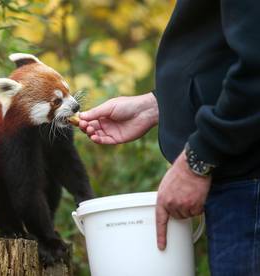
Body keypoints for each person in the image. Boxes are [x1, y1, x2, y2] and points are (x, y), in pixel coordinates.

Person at [79, 1, 260, 275]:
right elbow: (221, 53)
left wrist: (198, 158)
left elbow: (255, 65)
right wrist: (160, 104)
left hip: (248, 182)